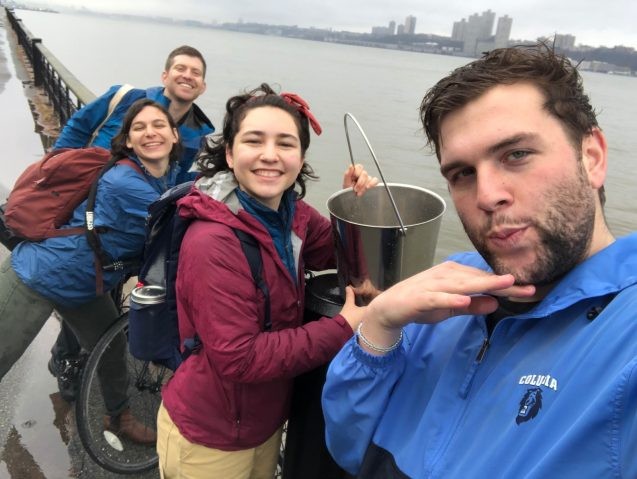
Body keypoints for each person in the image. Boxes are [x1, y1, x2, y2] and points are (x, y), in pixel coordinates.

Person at [321, 44, 637, 478]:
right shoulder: (443, 294)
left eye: (517, 155)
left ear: (592, 157)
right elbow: (350, 447)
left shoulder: (625, 337)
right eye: (462, 174)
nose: (487, 196)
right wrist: (378, 329)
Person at [155, 83, 378, 478]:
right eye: (254, 140)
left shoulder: (293, 212)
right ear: (229, 152)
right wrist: (343, 327)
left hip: (263, 421)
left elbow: (341, 259)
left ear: (301, 156)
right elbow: (239, 357)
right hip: (210, 437)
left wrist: (353, 207)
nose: (270, 155)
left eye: (286, 144)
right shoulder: (212, 240)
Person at [0, 98, 181, 443]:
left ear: (175, 134)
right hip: (37, 275)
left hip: (83, 285)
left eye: (158, 124)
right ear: (128, 141)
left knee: (110, 348)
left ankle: (119, 417)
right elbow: (179, 225)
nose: (149, 132)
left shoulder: (161, 176)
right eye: (138, 127)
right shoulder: (126, 184)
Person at [48, 44, 214, 401]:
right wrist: (57, 170)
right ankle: (66, 360)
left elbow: (179, 182)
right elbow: (79, 125)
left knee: (108, 282)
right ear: (165, 75)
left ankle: (103, 349)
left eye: (195, 73)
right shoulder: (127, 97)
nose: (187, 76)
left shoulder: (197, 133)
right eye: (180, 68)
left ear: (202, 86)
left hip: (136, 218)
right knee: (86, 286)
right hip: (89, 205)